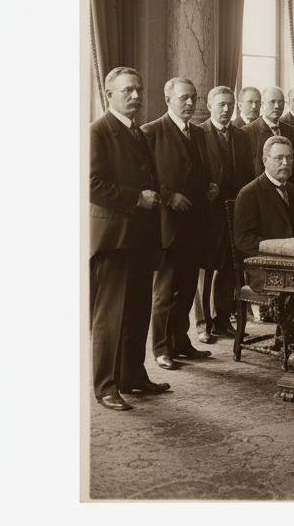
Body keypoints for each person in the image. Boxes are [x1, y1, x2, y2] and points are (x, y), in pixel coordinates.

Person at [89, 67, 168, 411]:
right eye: (127, 92)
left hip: (141, 236)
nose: (136, 96)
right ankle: (106, 387)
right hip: (115, 238)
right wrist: (138, 198)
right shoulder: (97, 131)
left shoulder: (138, 131)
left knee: (137, 311)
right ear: (109, 95)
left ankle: (133, 376)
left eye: (138, 90)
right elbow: (91, 184)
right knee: (111, 317)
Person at [142, 77, 219, 370]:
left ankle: (180, 342)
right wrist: (169, 196)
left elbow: (200, 170)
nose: (190, 103)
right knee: (164, 293)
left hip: (195, 224)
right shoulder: (152, 131)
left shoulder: (197, 133)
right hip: (168, 225)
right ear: (168, 99)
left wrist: (209, 186)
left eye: (194, 98)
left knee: (187, 288)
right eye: (184, 98)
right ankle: (161, 349)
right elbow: (146, 177)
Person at [233, 136, 294, 359]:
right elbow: (243, 240)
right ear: (265, 160)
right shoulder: (249, 193)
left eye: (289, 158)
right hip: (263, 270)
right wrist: (282, 249)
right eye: (279, 158)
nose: (285, 163)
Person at [194, 86, 253, 345]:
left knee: (229, 268)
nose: (227, 109)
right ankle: (202, 324)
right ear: (209, 106)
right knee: (206, 270)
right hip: (208, 214)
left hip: (233, 211)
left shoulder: (242, 136)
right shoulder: (199, 134)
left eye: (230, 104)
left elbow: (249, 175)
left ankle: (222, 320)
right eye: (221, 105)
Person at [242, 85, 294, 178]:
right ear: (262, 105)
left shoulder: (291, 131)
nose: (277, 106)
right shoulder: (247, 132)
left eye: (281, 102)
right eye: (272, 102)